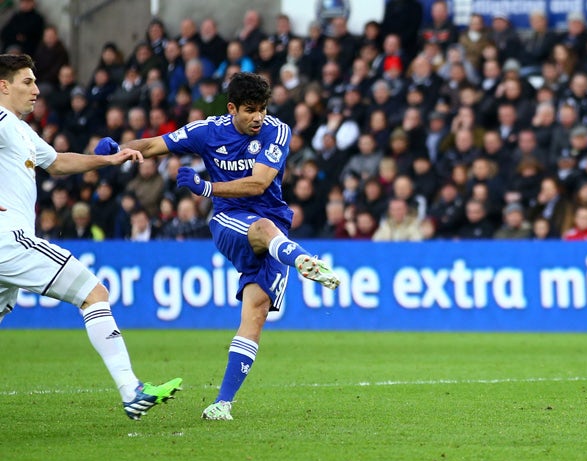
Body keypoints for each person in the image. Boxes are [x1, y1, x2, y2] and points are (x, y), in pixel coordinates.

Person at [95, 72, 340, 421]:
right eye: (251, 110)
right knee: (263, 228)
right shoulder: (206, 131)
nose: (259, 117)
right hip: (229, 221)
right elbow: (155, 145)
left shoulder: (278, 131)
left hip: (272, 229)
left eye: (263, 109)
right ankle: (303, 259)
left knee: (256, 313)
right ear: (232, 108)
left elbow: (259, 183)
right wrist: (118, 151)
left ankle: (222, 404)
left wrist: (205, 187)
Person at [0, 53, 181, 419]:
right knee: (93, 293)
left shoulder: (19, 130)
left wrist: (108, 161)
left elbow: (59, 161)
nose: (36, 89)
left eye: (36, 81)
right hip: (9, 240)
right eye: (27, 82)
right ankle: (132, 390)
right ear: (3, 86)